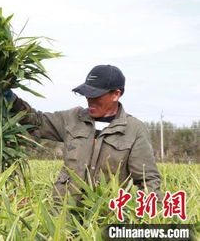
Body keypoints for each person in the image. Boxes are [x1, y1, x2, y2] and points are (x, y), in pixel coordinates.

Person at [9, 64, 161, 200]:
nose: (89, 100)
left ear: (116, 94)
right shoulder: (72, 118)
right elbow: (37, 121)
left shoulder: (133, 129)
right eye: (87, 94)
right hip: (63, 212)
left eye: (96, 95)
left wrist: (152, 219)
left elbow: (147, 180)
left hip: (104, 215)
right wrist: (12, 102)